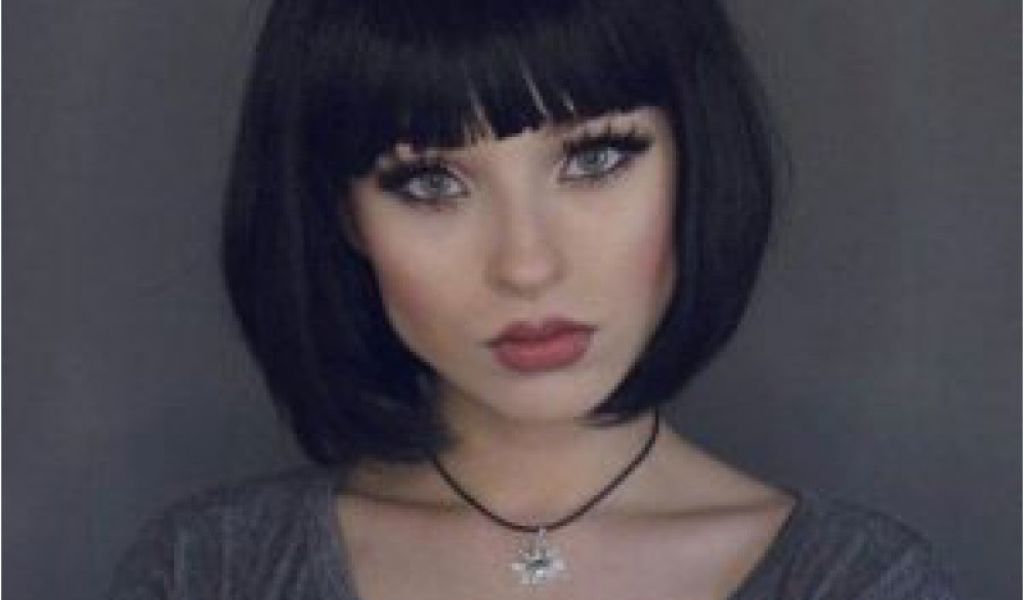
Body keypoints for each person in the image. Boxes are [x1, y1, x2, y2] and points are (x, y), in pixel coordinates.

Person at [109, 0, 960, 598]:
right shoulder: (212, 572)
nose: (526, 265)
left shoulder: (856, 583)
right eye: (431, 182)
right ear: (345, 217)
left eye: (595, 159)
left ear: (695, 158)